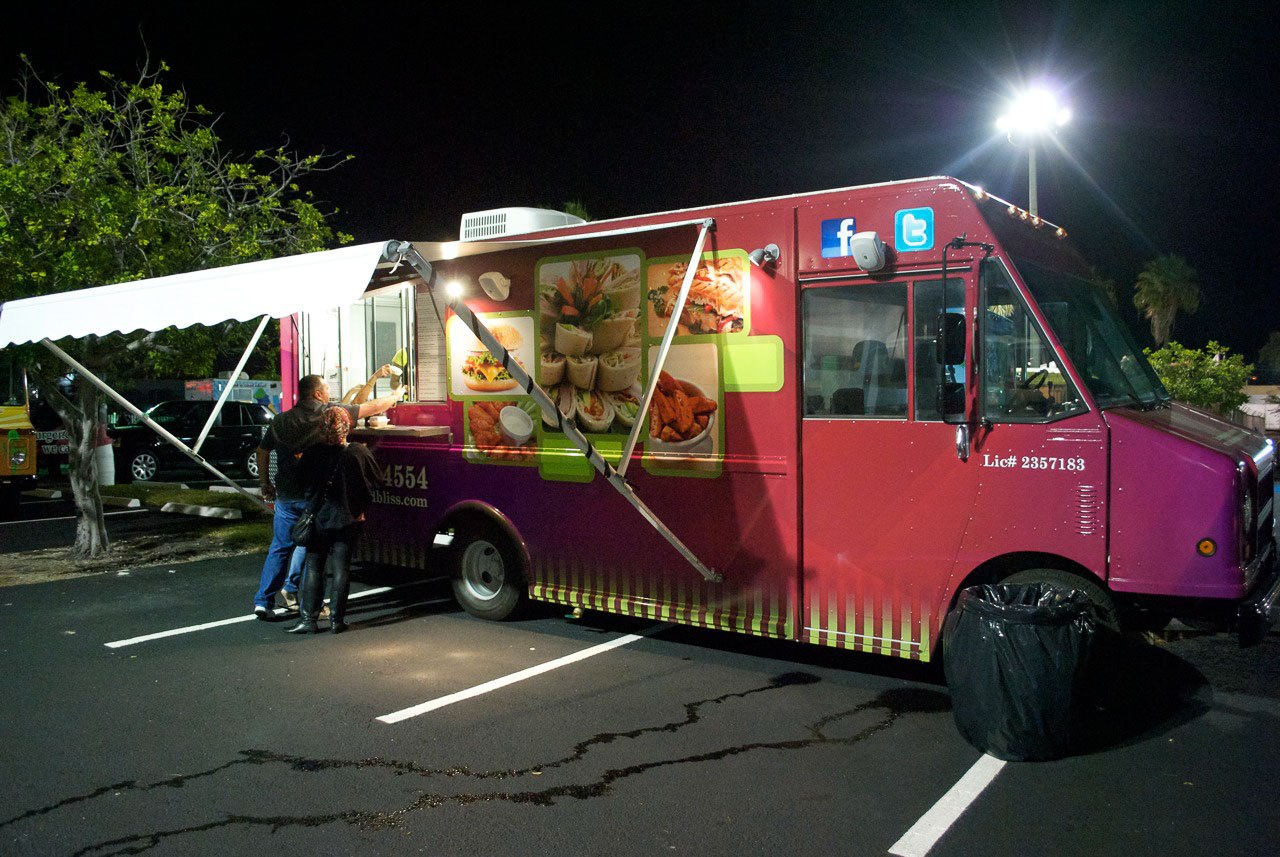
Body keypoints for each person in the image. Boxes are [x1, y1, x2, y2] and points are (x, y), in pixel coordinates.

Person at [251, 374, 398, 619]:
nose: (330, 393)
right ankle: (306, 601)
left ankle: (263, 601)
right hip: (315, 496)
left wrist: (264, 482)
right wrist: (396, 396)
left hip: (287, 494)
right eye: (327, 389)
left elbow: (262, 450)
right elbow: (370, 407)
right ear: (318, 394)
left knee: (281, 547)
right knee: (311, 549)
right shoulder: (329, 414)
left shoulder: (280, 421)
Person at [285, 407, 382, 634]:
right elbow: (377, 479)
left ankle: (308, 620)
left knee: (314, 567)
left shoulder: (312, 453)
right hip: (349, 518)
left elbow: (298, 483)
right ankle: (337, 621)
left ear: (322, 428)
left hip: (318, 517)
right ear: (346, 427)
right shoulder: (358, 452)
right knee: (341, 569)